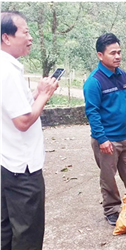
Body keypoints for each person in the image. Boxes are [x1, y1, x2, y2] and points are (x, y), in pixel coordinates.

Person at [1, 11, 59, 249]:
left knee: (6, 230)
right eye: (25, 32)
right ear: (6, 37)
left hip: (6, 162)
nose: (30, 37)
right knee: (28, 233)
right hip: (22, 169)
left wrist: (37, 92)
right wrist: (44, 96)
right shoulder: (8, 71)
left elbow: (15, 107)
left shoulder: (6, 67)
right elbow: (23, 121)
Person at [83, 33, 126, 226]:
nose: (117, 56)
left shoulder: (122, 75)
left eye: (119, 52)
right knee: (108, 178)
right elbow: (92, 113)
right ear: (100, 55)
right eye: (113, 53)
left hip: (124, 137)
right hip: (107, 139)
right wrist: (102, 139)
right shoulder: (94, 81)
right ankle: (111, 209)